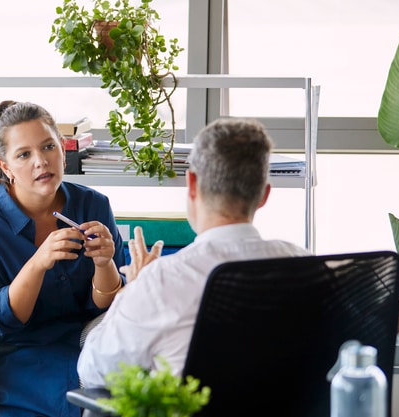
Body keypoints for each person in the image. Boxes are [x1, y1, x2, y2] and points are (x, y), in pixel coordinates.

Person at [77, 117, 310, 387]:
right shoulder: (305, 265)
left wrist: (133, 289)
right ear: (264, 195)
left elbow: (93, 371)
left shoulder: (161, 280)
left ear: (191, 184)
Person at [0, 100, 128, 417]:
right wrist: (37, 263)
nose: (41, 161)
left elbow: (110, 306)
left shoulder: (94, 205)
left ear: (63, 149)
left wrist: (105, 264)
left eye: (49, 146)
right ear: (6, 166)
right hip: (19, 358)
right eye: (24, 154)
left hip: (88, 344)